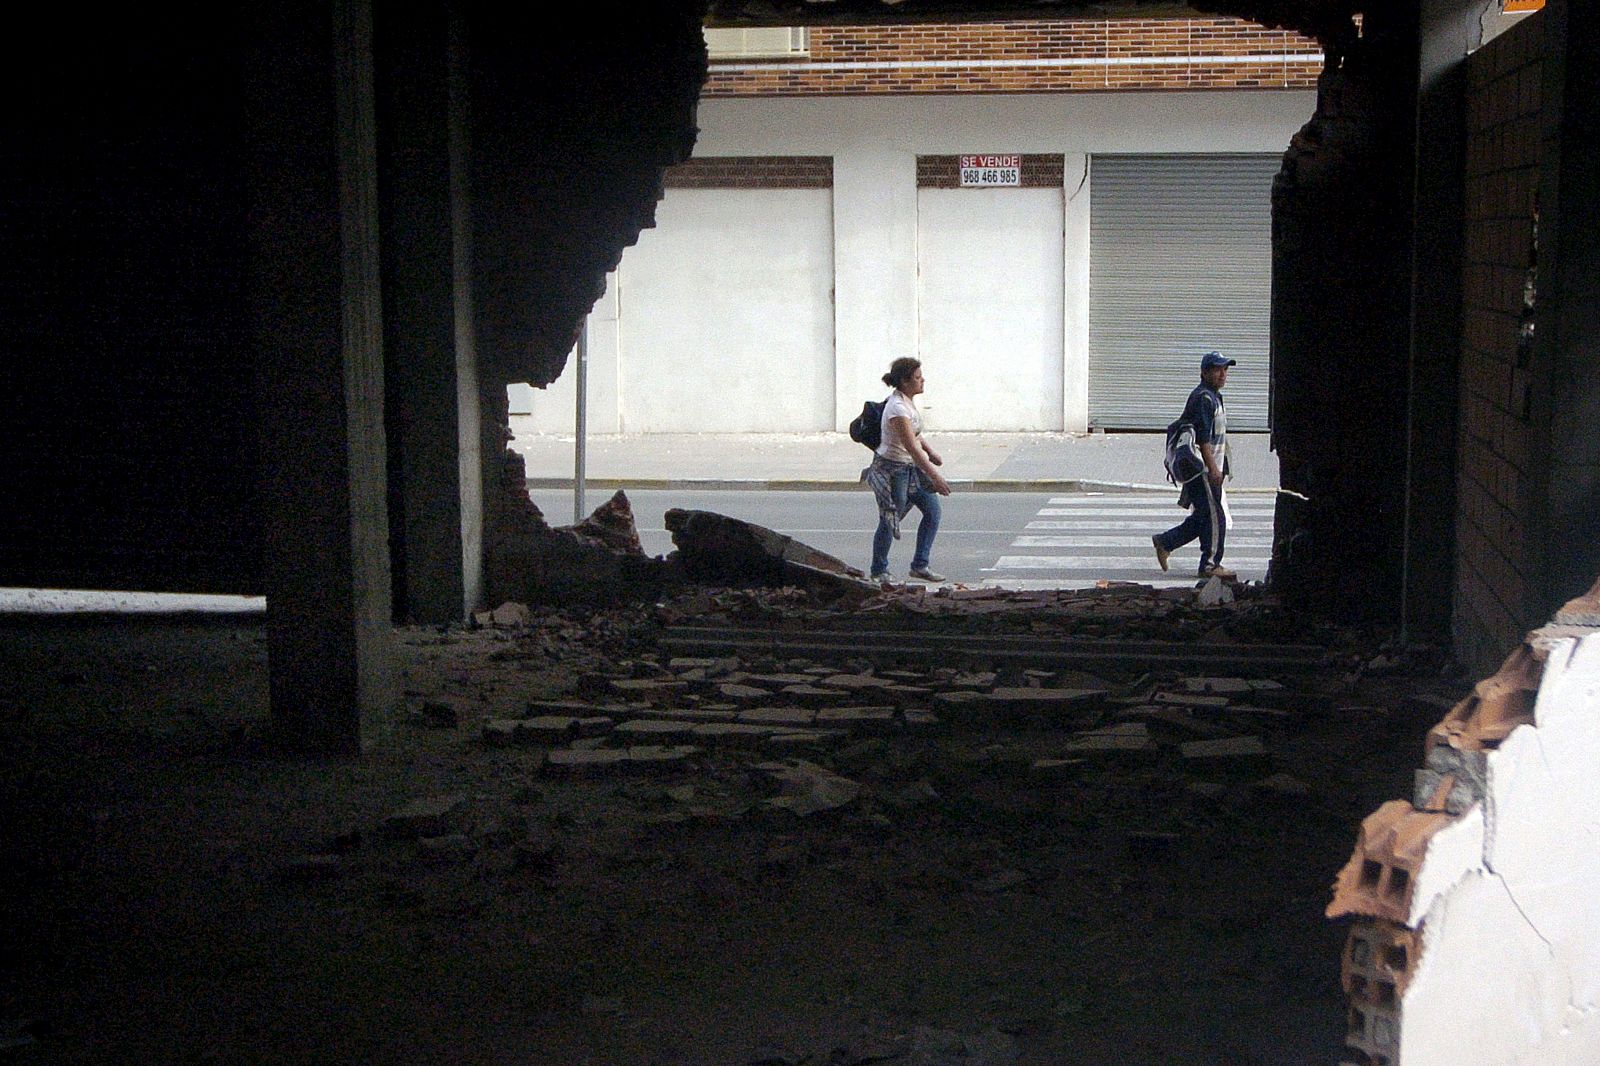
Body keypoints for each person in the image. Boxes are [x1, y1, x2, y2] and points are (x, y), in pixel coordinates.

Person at [864, 357, 951, 584]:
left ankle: (920, 565)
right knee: (891, 519)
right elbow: (911, 447)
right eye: (917, 378)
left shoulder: (906, 403)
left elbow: (916, 435)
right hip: (893, 471)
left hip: (909, 469)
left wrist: (931, 452)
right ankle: (878, 570)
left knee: (932, 512)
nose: (922, 381)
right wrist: (936, 477)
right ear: (904, 382)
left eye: (921, 376)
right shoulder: (897, 408)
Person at [1153, 351, 1237, 580]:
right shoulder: (1203, 398)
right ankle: (1210, 565)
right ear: (1204, 372)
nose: (1222, 374)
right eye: (1217, 369)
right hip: (1202, 469)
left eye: (1225, 369)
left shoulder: (1214, 396)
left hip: (1207, 468)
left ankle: (1165, 542)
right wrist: (1213, 469)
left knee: (1204, 516)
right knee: (1214, 517)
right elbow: (1203, 439)